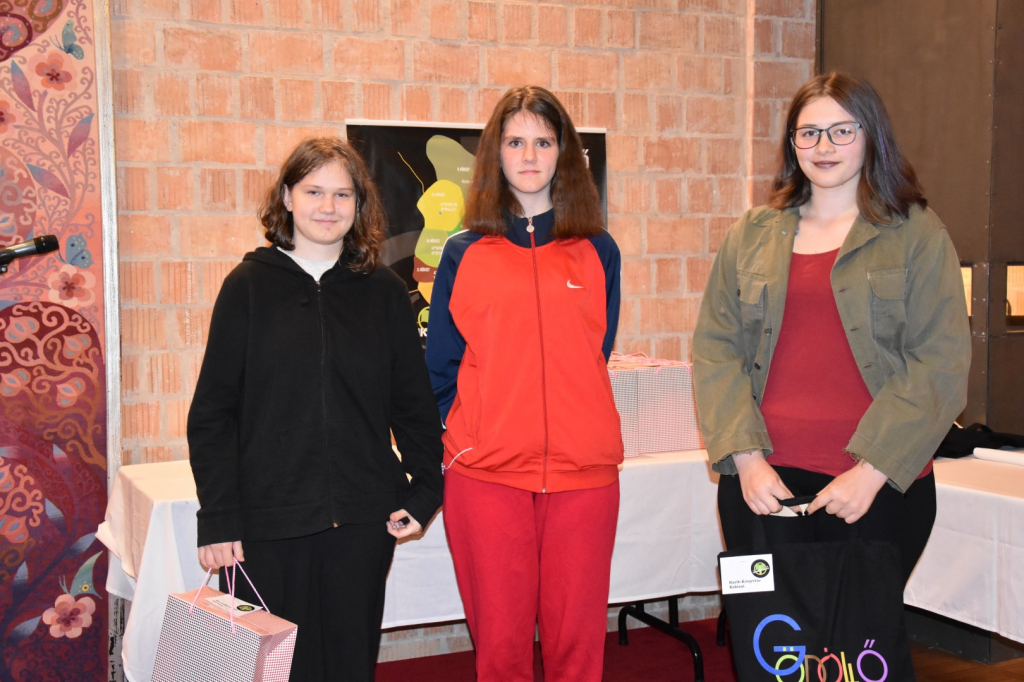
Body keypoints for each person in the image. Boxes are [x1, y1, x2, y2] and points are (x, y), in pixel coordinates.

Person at [693, 72, 971, 585]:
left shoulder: (917, 233)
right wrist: (747, 462)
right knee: (769, 634)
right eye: (809, 133)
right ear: (792, 143)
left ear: (871, 136)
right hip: (763, 486)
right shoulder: (749, 234)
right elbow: (717, 351)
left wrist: (870, 472)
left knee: (861, 636)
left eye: (842, 131)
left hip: (877, 487)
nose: (824, 147)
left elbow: (940, 363)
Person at [187, 137, 443, 681]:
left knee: (349, 667)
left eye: (342, 194)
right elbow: (212, 413)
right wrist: (218, 518)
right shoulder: (247, 287)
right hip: (265, 524)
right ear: (287, 197)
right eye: (313, 191)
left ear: (359, 204)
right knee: (272, 672)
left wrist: (426, 490)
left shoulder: (383, 292)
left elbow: (413, 404)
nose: (328, 206)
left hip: (362, 521)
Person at [425, 85, 623, 682]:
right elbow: (441, 365)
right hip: (486, 476)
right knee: (501, 650)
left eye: (543, 141)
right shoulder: (462, 251)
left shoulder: (598, 250)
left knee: (577, 649)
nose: (530, 156)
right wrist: (473, 432)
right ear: (496, 153)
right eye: (515, 142)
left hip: (582, 477)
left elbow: (595, 351)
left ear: (564, 153)